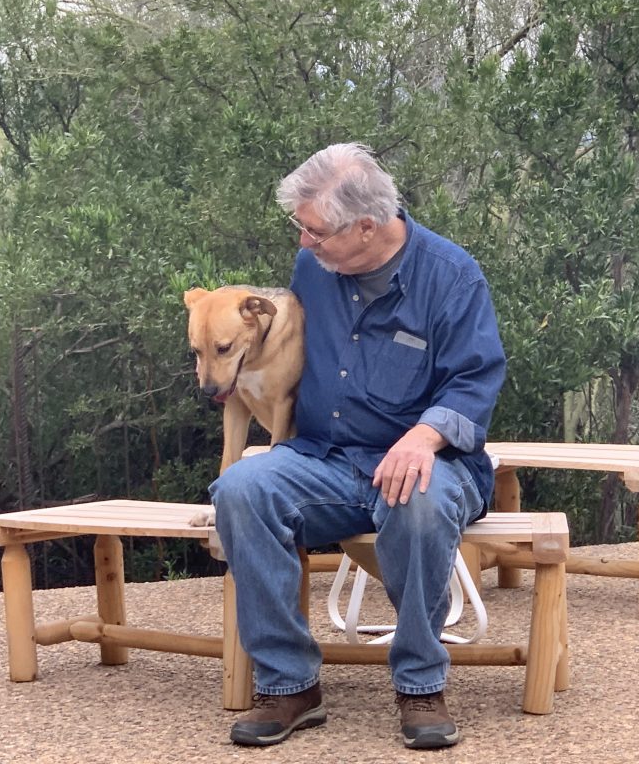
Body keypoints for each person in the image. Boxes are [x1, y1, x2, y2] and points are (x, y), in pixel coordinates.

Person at [209, 143, 507, 749]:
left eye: (314, 232)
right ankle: (289, 683)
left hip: (431, 459)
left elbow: (476, 378)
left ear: (366, 227)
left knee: (415, 501)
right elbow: (276, 345)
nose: (304, 245)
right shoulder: (312, 272)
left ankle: (421, 683)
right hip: (326, 458)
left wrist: (423, 438)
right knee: (241, 488)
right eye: (302, 229)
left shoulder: (451, 278)